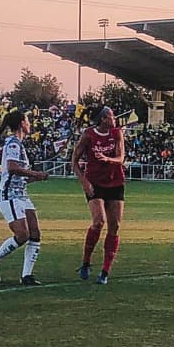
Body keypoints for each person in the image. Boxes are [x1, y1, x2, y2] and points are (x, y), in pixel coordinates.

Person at [0, 110, 49, 286]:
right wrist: (35, 172)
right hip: (10, 196)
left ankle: (27, 275)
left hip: (21, 194)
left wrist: (35, 178)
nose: (29, 123)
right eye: (27, 120)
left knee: (34, 233)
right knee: (22, 235)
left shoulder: (18, 144)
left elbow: (18, 176)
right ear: (22, 123)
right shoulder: (13, 144)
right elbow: (12, 168)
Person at [72, 106, 126, 284]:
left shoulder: (117, 133)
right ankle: (86, 262)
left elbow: (121, 158)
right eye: (112, 116)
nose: (114, 119)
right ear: (103, 119)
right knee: (98, 221)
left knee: (115, 225)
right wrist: (84, 181)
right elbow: (74, 161)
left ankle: (105, 271)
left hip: (115, 182)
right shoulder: (88, 135)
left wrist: (108, 159)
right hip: (95, 182)